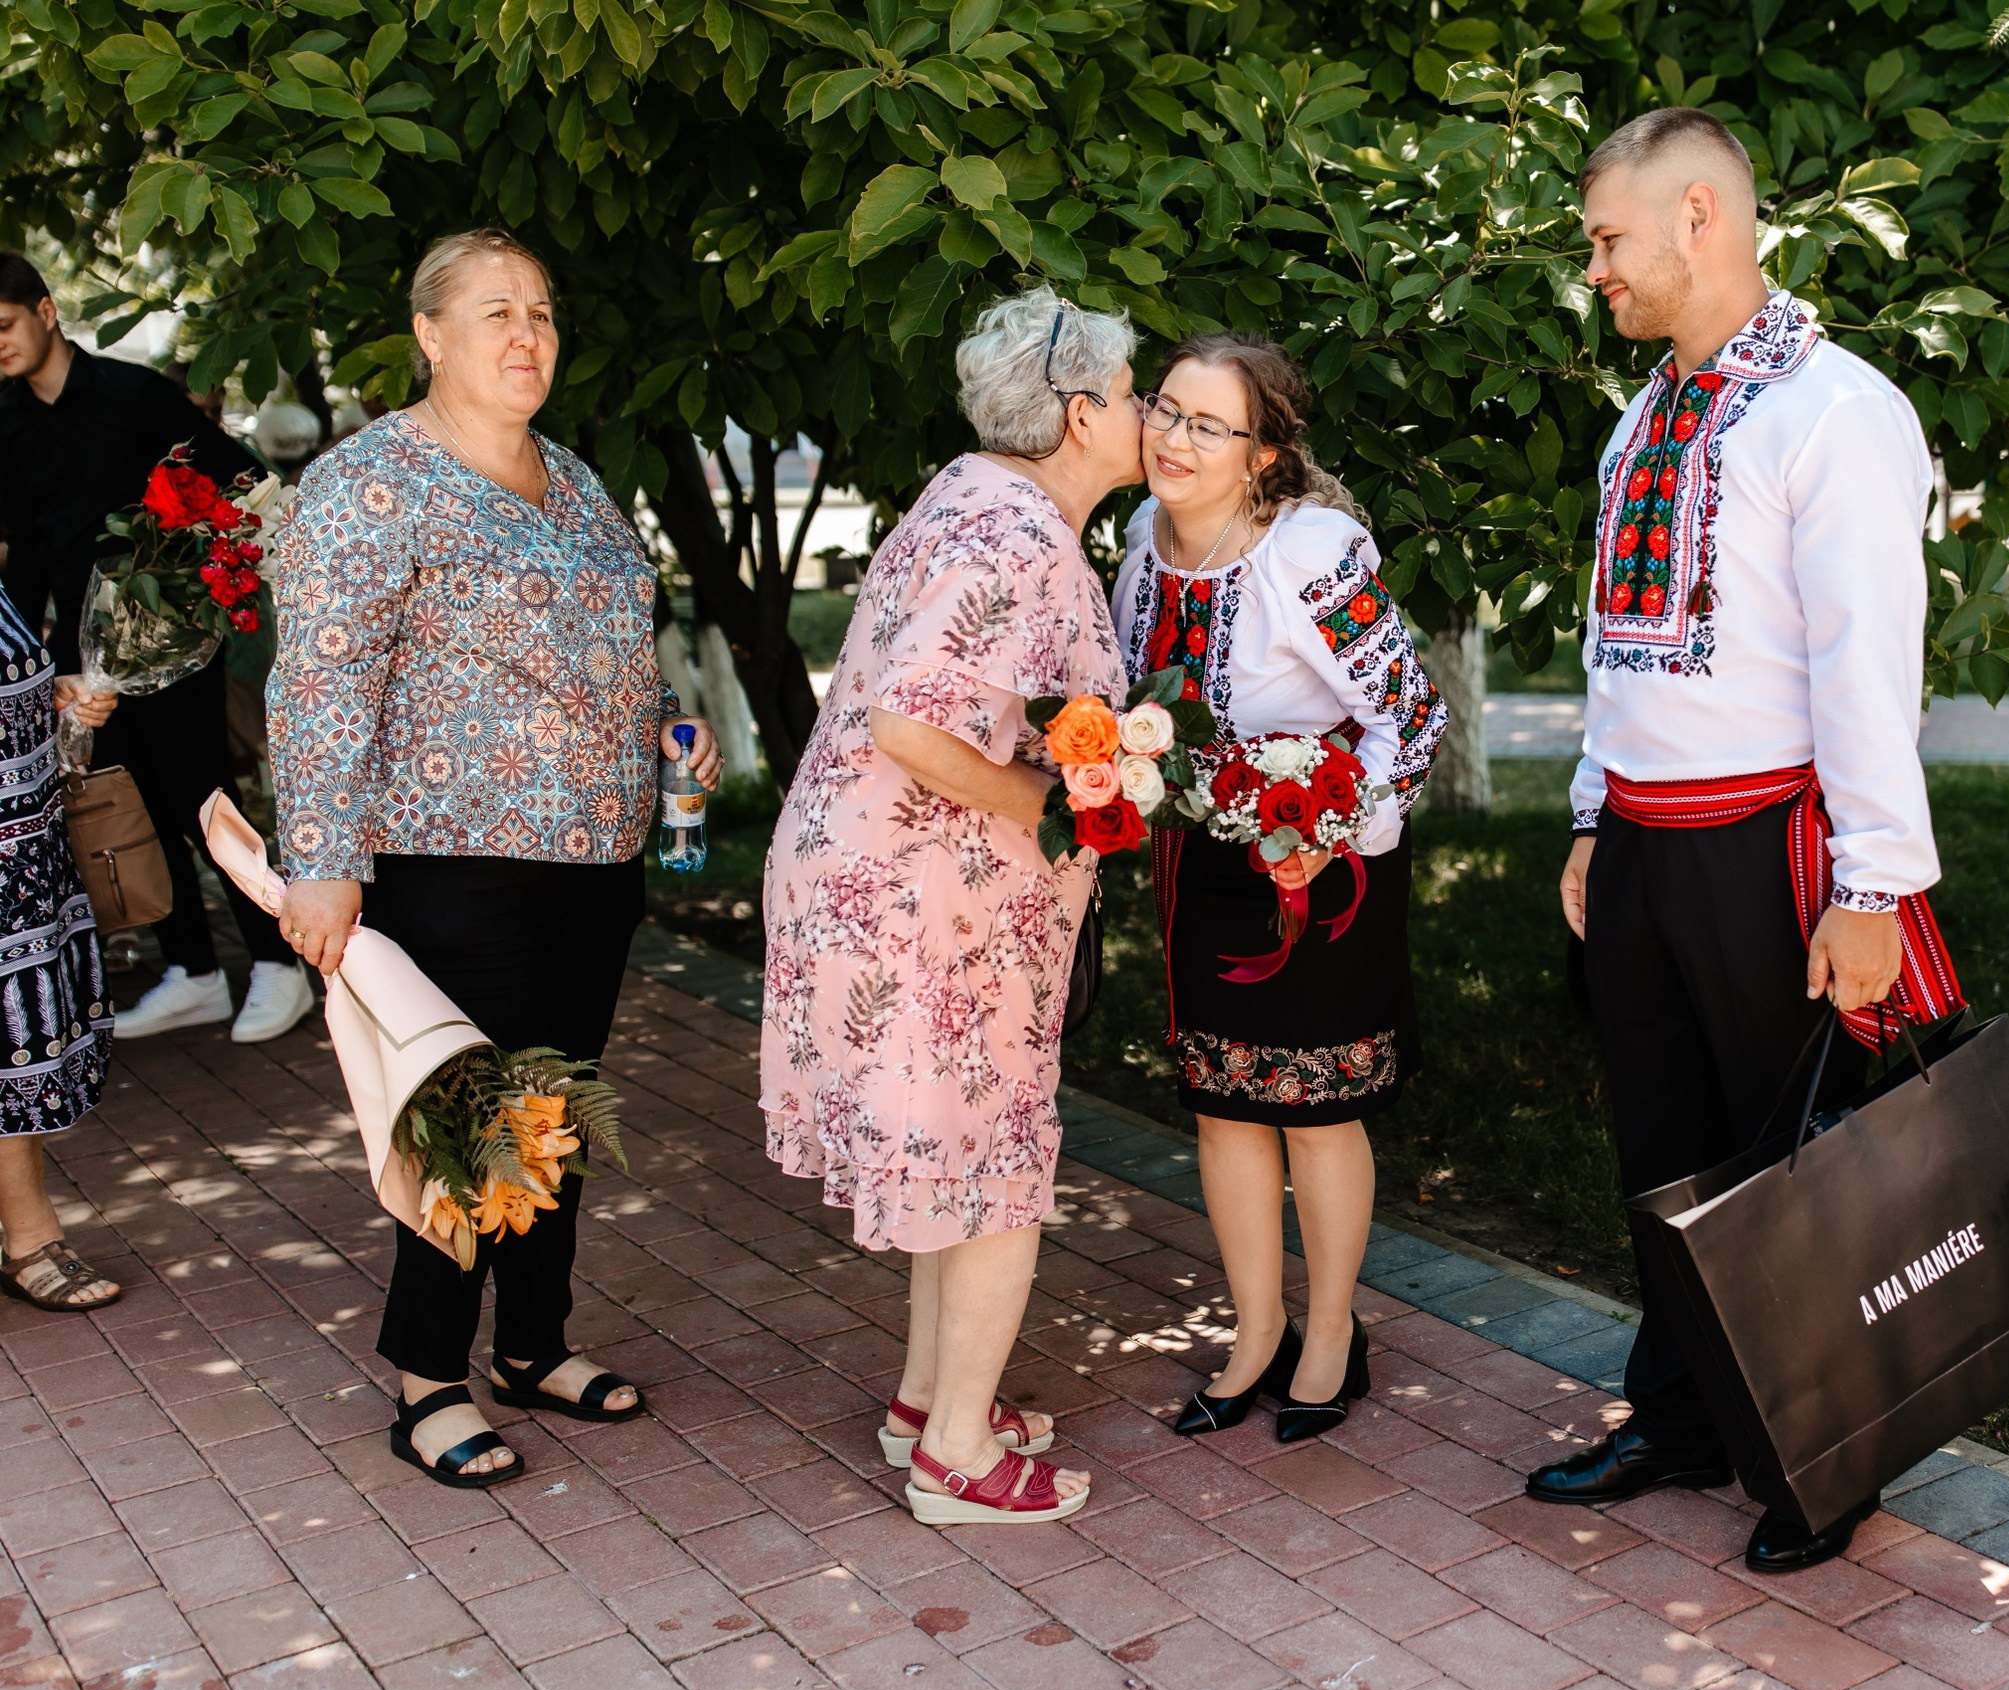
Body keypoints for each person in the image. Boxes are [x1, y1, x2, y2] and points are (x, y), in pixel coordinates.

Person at [1529, 109, 1962, 1572]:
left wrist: (1873, 886)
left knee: (1792, 1170)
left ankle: (1827, 1454)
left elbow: (1865, 661)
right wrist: (1596, 818)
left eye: (1607, 239)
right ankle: (1687, 1414)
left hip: (1773, 846)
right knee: (1663, 1153)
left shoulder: (1835, 411)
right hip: (1648, 846)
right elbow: (1615, 652)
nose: (1596, 269)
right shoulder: (1643, 416)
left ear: (1699, 215)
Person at [270, 229, 723, 1488]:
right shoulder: (370, 484)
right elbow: (318, 685)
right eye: (492, 313)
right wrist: (320, 857)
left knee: (555, 1115)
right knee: (468, 1121)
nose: (525, 334)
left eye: (539, 311)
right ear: (427, 333)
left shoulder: (570, 478)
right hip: (447, 859)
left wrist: (662, 737)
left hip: (593, 853)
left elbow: (611, 651)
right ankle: (426, 1379)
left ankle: (532, 1344)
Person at [762, 287, 1140, 1526]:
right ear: (1080, 413)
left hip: (887, 888)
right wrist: (1033, 804)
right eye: (1132, 394)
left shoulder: (973, 499)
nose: (1143, 414)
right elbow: (911, 719)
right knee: (988, 1167)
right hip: (932, 907)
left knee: (952, 1156)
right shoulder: (1013, 533)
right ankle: (961, 1461)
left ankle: (931, 1400)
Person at [1111, 335, 1444, 1442]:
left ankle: (1335, 1332)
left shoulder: (1307, 555)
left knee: (1316, 1113)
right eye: (1165, 409)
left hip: (1325, 867)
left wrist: (1335, 830)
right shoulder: (1137, 545)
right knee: (1224, 1108)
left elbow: (1415, 712)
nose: (1173, 437)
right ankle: (1256, 1332)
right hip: (1203, 863)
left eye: (1210, 424)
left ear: (1262, 455)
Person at [0, 251, 312, 1046]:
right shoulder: (4, 419)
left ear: (45, 311)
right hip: (86, 660)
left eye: (2, 326)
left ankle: (282, 965)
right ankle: (195, 973)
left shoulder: (133, 396)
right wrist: (43, 664)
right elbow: (32, 550)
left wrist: (196, 587)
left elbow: (240, 481)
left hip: (171, 643)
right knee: (129, 803)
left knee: (203, 801)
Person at [0, 582, 119, 1311]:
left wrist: (58, 697)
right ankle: (29, 1237)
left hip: (20, 847)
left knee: (14, 1047)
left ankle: (27, 1233)